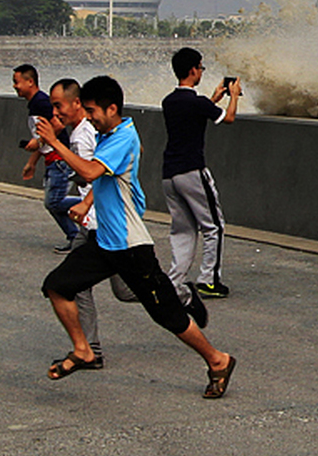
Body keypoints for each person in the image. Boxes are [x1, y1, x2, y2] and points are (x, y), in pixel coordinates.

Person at [36, 75, 236, 397]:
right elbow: (103, 179)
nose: (88, 116)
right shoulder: (111, 133)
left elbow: (90, 171)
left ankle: (217, 359)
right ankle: (84, 350)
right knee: (56, 287)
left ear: (111, 108)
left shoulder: (121, 137)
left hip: (131, 247)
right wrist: (87, 203)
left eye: (91, 110)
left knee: (167, 315)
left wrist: (55, 142)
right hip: (104, 243)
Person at [161, 47, 238, 300]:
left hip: (169, 174)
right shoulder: (197, 103)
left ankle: (175, 281)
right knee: (213, 226)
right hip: (192, 171)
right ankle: (209, 280)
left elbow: (194, 113)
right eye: (201, 68)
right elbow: (228, 119)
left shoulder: (169, 102)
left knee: (182, 230)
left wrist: (213, 99)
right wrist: (233, 96)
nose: (202, 72)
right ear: (193, 70)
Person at [49, 79, 104, 365]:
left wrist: (84, 203)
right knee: (77, 285)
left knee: (131, 290)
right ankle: (90, 350)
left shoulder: (84, 135)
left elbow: (100, 173)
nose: (56, 113)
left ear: (77, 103)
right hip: (92, 224)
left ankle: (181, 296)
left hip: (102, 224)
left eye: (59, 106)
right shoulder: (81, 132)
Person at [14, 64, 71, 250]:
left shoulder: (41, 102)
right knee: (52, 202)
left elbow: (58, 125)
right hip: (52, 159)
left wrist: (37, 142)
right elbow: (43, 135)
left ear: (30, 82)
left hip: (59, 158)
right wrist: (32, 162)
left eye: (17, 82)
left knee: (53, 201)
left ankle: (89, 208)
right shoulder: (35, 103)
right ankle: (75, 237)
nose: (14, 86)